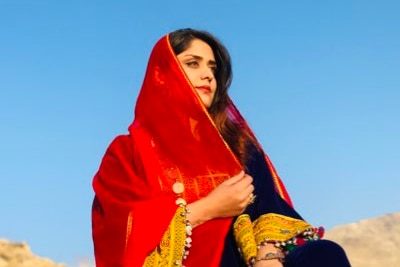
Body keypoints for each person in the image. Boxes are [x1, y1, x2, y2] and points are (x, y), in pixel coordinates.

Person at [91, 28, 352, 267]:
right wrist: (208, 209)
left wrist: (267, 255)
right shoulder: (128, 152)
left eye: (213, 68)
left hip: (248, 258)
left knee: (325, 254)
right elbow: (121, 232)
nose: (208, 75)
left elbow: (267, 205)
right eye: (193, 64)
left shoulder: (237, 144)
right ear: (160, 75)